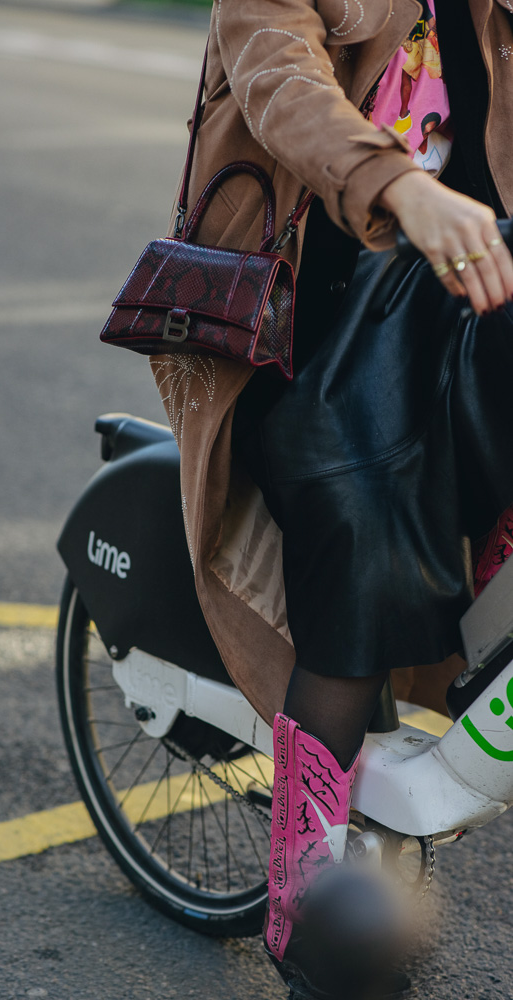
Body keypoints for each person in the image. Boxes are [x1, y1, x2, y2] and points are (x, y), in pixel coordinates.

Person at [150, 0, 513, 996]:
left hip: (457, 317)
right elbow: (278, 78)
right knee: (359, 557)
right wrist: (398, 185)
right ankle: (305, 917)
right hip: (311, 323)